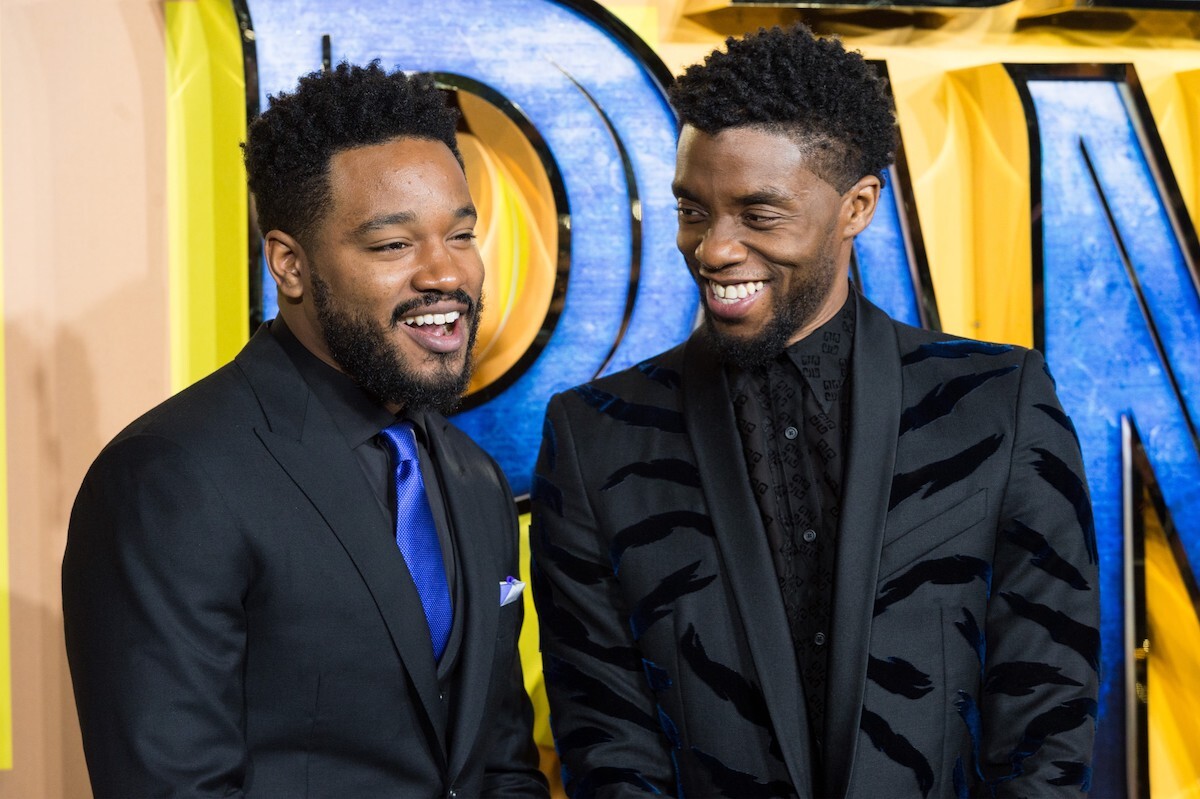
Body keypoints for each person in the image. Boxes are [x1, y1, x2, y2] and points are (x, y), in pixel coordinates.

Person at [531, 25, 1098, 799]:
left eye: (758, 214)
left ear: (857, 206)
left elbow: (1045, 713)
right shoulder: (595, 432)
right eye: (693, 210)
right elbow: (606, 733)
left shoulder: (999, 402)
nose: (713, 248)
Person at [63, 62, 548, 798]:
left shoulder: (473, 476)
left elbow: (501, 763)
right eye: (393, 246)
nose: (445, 273)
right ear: (289, 264)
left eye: (461, 234)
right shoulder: (172, 477)